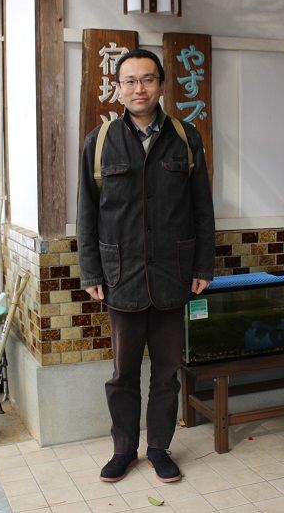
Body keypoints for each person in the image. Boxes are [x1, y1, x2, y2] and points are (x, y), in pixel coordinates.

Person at [77, 49, 215, 483]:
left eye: (148, 79)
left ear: (161, 85)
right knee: (123, 374)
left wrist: (203, 266)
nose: (140, 88)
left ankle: (158, 448)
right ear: (118, 89)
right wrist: (91, 272)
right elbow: (87, 212)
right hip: (121, 277)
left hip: (173, 275)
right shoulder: (99, 142)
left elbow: (202, 209)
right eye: (131, 81)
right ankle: (123, 450)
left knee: (167, 373)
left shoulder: (186, 138)